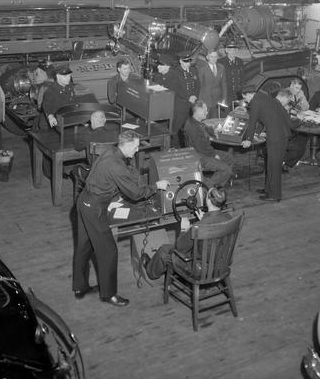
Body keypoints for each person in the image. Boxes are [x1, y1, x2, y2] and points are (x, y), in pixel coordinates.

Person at [72, 130, 170, 306]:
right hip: (94, 207)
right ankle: (109, 294)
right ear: (125, 145)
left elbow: (122, 174)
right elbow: (135, 193)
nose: (137, 149)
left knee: (84, 246)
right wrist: (156, 186)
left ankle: (80, 287)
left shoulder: (111, 151)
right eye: (135, 146)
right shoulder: (116, 164)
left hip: (84, 202)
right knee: (109, 251)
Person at [141, 187, 231, 280]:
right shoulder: (229, 218)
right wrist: (204, 220)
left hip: (199, 270)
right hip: (221, 265)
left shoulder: (198, 227)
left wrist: (184, 229)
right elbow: (213, 225)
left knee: (163, 251)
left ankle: (150, 272)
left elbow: (179, 248)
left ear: (208, 200)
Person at [241, 84, 291, 202]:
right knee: (270, 164)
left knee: (274, 166)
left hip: (277, 136)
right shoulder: (263, 96)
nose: (246, 101)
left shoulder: (254, 102)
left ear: (249, 94)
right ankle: (268, 189)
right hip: (278, 133)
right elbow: (265, 116)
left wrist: (248, 139)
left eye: (245, 98)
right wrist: (258, 133)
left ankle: (275, 195)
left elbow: (252, 121)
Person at [183, 100, 234, 188]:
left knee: (229, 158)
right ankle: (207, 187)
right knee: (227, 169)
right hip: (199, 156)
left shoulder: (194, 121)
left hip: (203, 152)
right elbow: (202, 148)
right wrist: (214, 155)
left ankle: (217, 185)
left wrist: (213, 130)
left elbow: (204, 128)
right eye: (205, 110)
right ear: (198, 110)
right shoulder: (193, 127)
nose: (207, 112)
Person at [153, 60, 193, 148]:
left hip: (179, 109)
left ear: (167, 66)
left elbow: (183, 93)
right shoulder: (158, 76)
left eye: (161, 66)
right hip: (166, 109)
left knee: (174, 132)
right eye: (158, 65)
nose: (158, 67)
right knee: (169, 132)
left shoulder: (176, 76)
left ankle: (178, 152)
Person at [275, 89, 308, 171]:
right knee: (300, 148)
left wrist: (288, 111)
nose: (288, 102)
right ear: (283, 97)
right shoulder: (278, 107)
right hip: (278, 138)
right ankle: (282, 162)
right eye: (288, 100)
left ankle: (285, 162)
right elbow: (291, 125)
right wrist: (299, 119)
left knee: (303, 137)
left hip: (281, 133)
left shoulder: (276, 104)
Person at [41, 64, 77, 129]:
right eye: (65, 76)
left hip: (67, 120)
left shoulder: (70, 87)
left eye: (69, 76)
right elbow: (46, 106)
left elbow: (73, 103)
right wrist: (50, 116)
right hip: (54, 123)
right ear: (58, 76)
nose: (68, 79)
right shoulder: (51, 90)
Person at [196, 49, 227, 119]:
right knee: (205, 121)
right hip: (205, 100)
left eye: (215, 57)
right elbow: (199, 86)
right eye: (211, 57)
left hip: (217, 100)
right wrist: (200, 101)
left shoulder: (221, 67)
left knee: (215, 121)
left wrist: (224, 98)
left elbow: (224, 83)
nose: (214, 59)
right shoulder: (202, 69)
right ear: (207, 57)